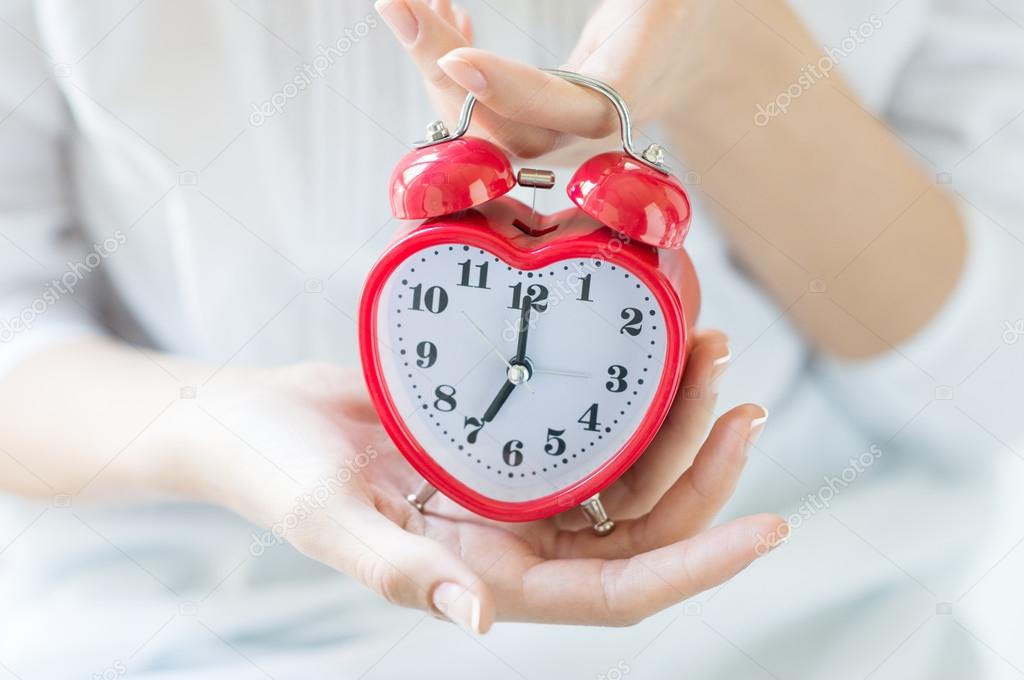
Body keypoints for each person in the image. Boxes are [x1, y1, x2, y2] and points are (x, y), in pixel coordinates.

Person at [0, 0, 1021, 677]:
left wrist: (731, 63)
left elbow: (994, 382)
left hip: (812, 631)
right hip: (198, 636)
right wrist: (221, 430)